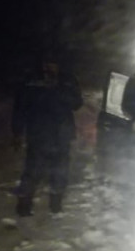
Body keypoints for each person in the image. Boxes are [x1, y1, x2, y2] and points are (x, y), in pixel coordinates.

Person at [12, 61, 83, 217]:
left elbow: (77, 103)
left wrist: (58, 89)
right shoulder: (31, 80)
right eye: (46, 63)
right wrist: (17, 131)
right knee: (33, 170)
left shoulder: (67, 79)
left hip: (61, 134)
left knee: (60, 171)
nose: (49, 67)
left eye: (53, 63)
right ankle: (24, 204)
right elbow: (20, 107)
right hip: (38, 133)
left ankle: (56, 204)